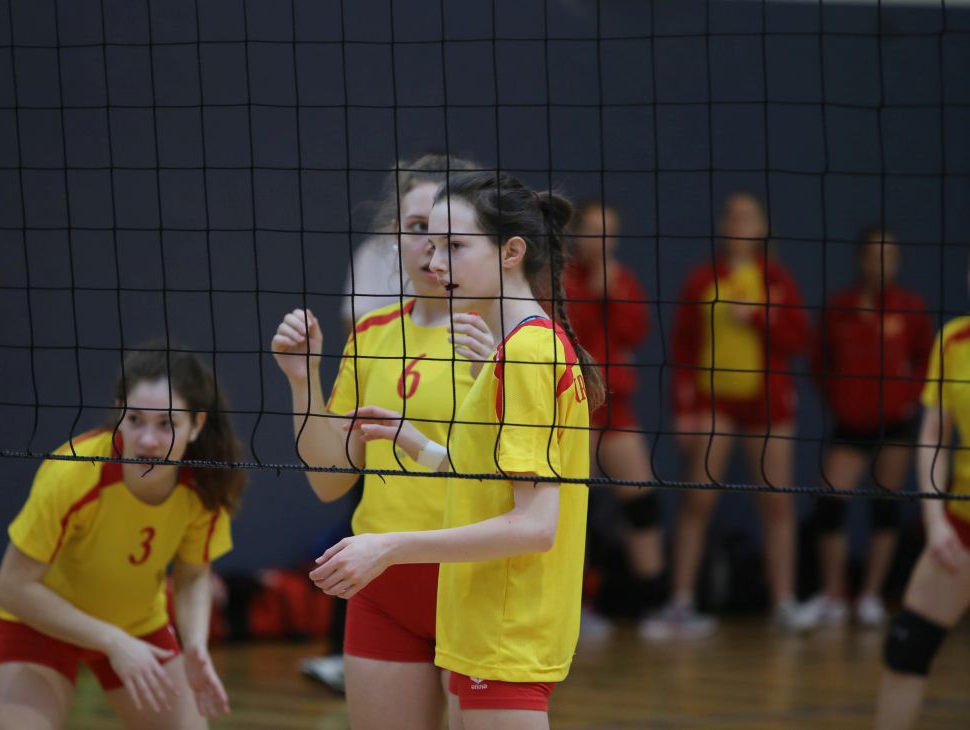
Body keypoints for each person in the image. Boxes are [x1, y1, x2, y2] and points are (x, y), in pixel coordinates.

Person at [306, 170, 604, 729]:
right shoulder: (510, 352)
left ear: (511, 252)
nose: (435, 261)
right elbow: (487, 476)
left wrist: (390, 546)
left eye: (455, 246)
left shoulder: (527, 354)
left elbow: (536, 525)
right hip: (479, 620)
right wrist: (416, 443)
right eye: (431, 242)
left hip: (505, 627)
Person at [271, 154, 493, 730]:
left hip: (476, 580)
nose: (431, 248)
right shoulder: (371, 335)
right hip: (382, 583)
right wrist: (303, 379)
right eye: (418, 229)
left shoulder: (508, 334)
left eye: (448, 232)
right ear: (395, 234)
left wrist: (496, 376)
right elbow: (331, 481)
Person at [0, 346, 244, 730]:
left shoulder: (205, 488)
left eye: (166, 423)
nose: (148, 440)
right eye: (135, 419)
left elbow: (192, 576)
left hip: (136, 627)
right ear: (119, 413)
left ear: (196, 425)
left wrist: (195, 645)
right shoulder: (74, 472)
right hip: (42, 625)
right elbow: (12, 588)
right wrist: (111, 641)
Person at [642, 191, 814, 639]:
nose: (740, 224)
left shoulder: (776, 279)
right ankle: (681, 601)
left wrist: (759, 316)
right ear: (724, 225)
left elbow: (799, 340)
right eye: (733, 216)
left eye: (748, 217)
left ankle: (784, 601)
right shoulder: (704, 278)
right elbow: (682, 347)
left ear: (762, 227)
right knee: (698, 499)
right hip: (714, 403)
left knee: (777, 501)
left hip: (768, 404)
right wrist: (684, 409)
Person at [805, 228, 933, 628]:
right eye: (875, 254)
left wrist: (908, 397)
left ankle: (871, 596)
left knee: (885, 507)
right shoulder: (839, 307)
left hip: (895, 423)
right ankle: (833, 593)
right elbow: (818, 362)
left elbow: (928, 361)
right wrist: (840, 398)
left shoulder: (910, 307)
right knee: (829, 504)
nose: (881, 262)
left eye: (889, 255)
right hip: (851, 423)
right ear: (860, 258)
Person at [874, 265, 970, 730]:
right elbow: (933, 433)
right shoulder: (954, 339)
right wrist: (934, 521)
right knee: (907, 647)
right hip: (961, 524)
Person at [565, 200, 665, 627]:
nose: (601, 239)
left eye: (608, 231)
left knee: (642, 504)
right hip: (576, 406)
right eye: (592, 229)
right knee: (574, 509)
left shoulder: (623, 280)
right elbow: (569, 334)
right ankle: (575, 607)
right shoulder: (563, 279)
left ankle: (655, 606)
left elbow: (634, 333)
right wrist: (593, 292)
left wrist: (612, 292)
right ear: (576, 233)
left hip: (617, 407)